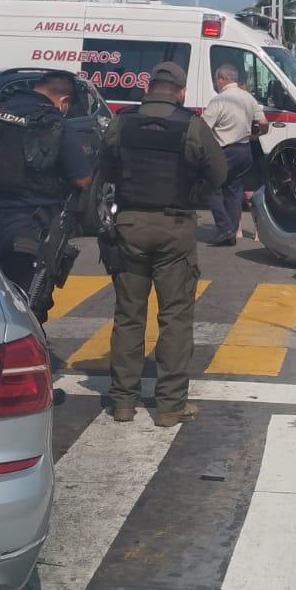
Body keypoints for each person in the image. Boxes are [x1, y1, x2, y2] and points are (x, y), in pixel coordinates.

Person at [96, 61, 226, 427]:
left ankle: (123, 401)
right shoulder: (192, 125)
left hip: (131, 223)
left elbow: (105, 169)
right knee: (176, 317)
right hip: (174, 226)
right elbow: (219, 174)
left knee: (128, 315)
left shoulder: (122, 121)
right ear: (181, 91)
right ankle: (170, 406)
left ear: (148, 87)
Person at [0, 71, 93, 318]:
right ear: (64, 101)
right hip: (30, 223)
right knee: (29, 299)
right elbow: (82, 178)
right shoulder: (54, 121)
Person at [202, 62, 268, 246]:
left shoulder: (220, 100)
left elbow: (204, 128)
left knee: (210, 188)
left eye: (217, 79)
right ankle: (230, 232)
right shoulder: (248, 98)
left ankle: (225, 229)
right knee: (234, 190)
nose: (216, 83)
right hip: (245, 150)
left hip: (225, 151)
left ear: (222, 79)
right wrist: (256, 134)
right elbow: (263, 122)